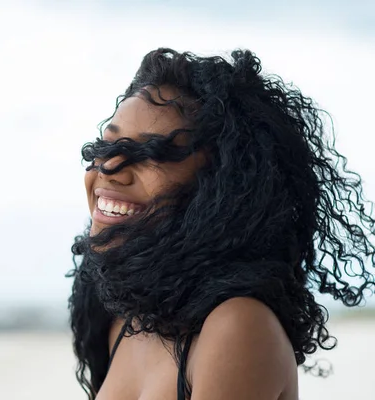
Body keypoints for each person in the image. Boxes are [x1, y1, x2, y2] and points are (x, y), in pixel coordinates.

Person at [67, 48, 375, 400]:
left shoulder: (237, 326)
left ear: (219, 192)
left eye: (155, 152)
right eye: (109, 143)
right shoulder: (121, 317)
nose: (110, 168)